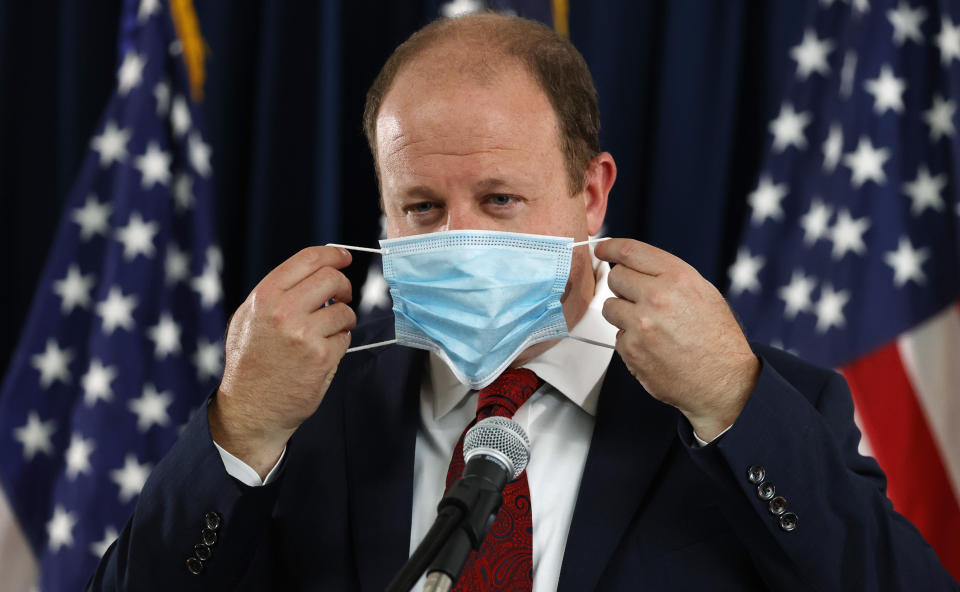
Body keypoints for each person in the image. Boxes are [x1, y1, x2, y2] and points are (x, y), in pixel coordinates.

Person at [88, 13, 958, 592]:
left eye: (501, 200)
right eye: (421, 208)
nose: (459, 238)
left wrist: (733, 401)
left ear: (591, 193)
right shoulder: (302, 410)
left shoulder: (761, 403)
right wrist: (239, 431)